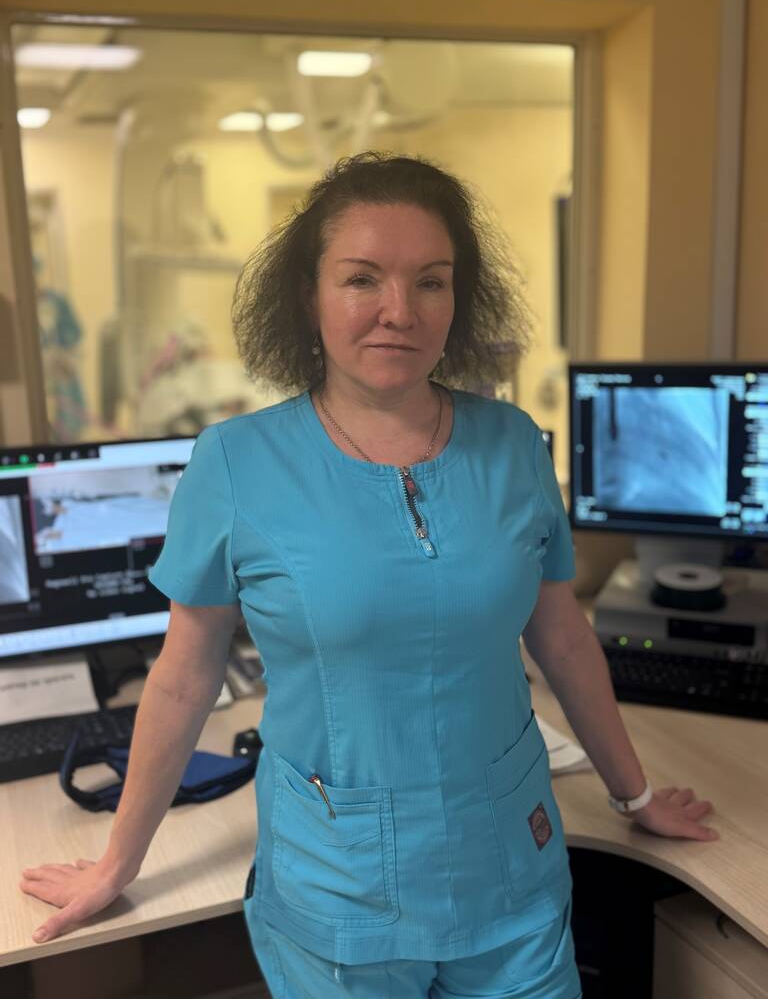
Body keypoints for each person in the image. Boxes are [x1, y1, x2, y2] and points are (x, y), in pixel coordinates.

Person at [19, 152, 719, 998]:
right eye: (361, 279)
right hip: (338, 893)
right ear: (307, 298)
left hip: (511, 869)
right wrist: (117, 862)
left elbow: (562, 637)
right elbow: (182, 677)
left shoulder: (512, 445)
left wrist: (635, 796)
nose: (400, 311)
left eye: (431, 281)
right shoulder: (237, 462)